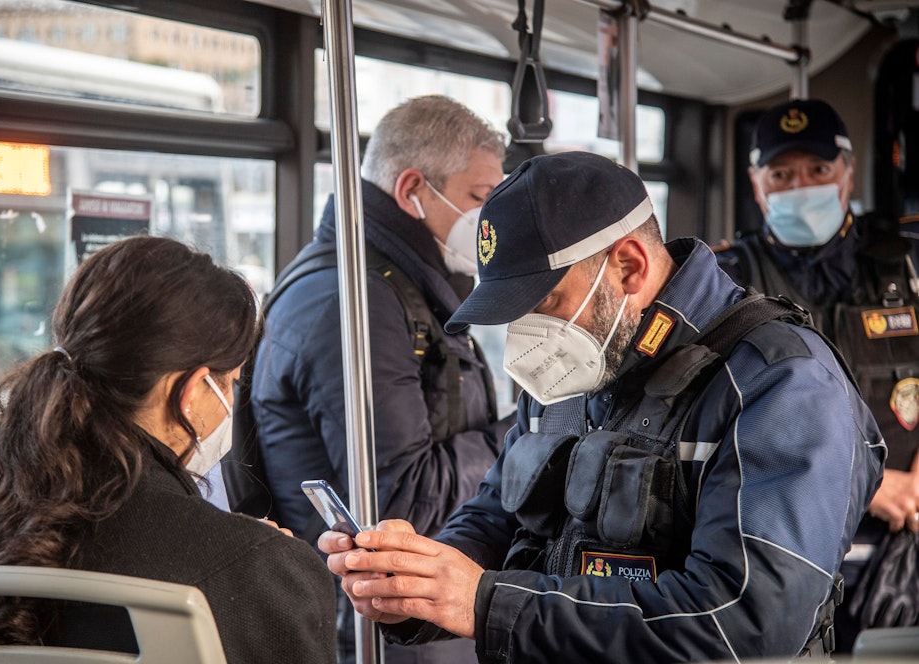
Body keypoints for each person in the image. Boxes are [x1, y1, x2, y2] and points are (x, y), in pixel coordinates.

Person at [319, 151, 885, 662]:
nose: (529, 338)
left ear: (629, 267)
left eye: (545, 304)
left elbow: (747, 621)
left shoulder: (780, 381)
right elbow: (496, 515)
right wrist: (419, 581)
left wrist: (487, 603)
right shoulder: (577, 364)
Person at [0, 236, 336, 663]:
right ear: (191, 391)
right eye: (229, 383)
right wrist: (253, 553)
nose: (231, 401)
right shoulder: (262, 574)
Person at [247, 95, 511, 664]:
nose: (492, 224)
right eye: (480, 200)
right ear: (412, 189)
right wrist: (519, 445)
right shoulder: (353, 305)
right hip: (368, 623)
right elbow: (400, 502)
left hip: (412, 603)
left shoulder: (407, 287)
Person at [715, 98, 919, 650]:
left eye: (818, 170)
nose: (800, 186)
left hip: (902, 552)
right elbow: (714, 420)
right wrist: (871, 484)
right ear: (757, 186)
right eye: (781, 174)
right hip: (779, 547)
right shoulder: (725, 281)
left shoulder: (907, 263)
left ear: (847, 173)